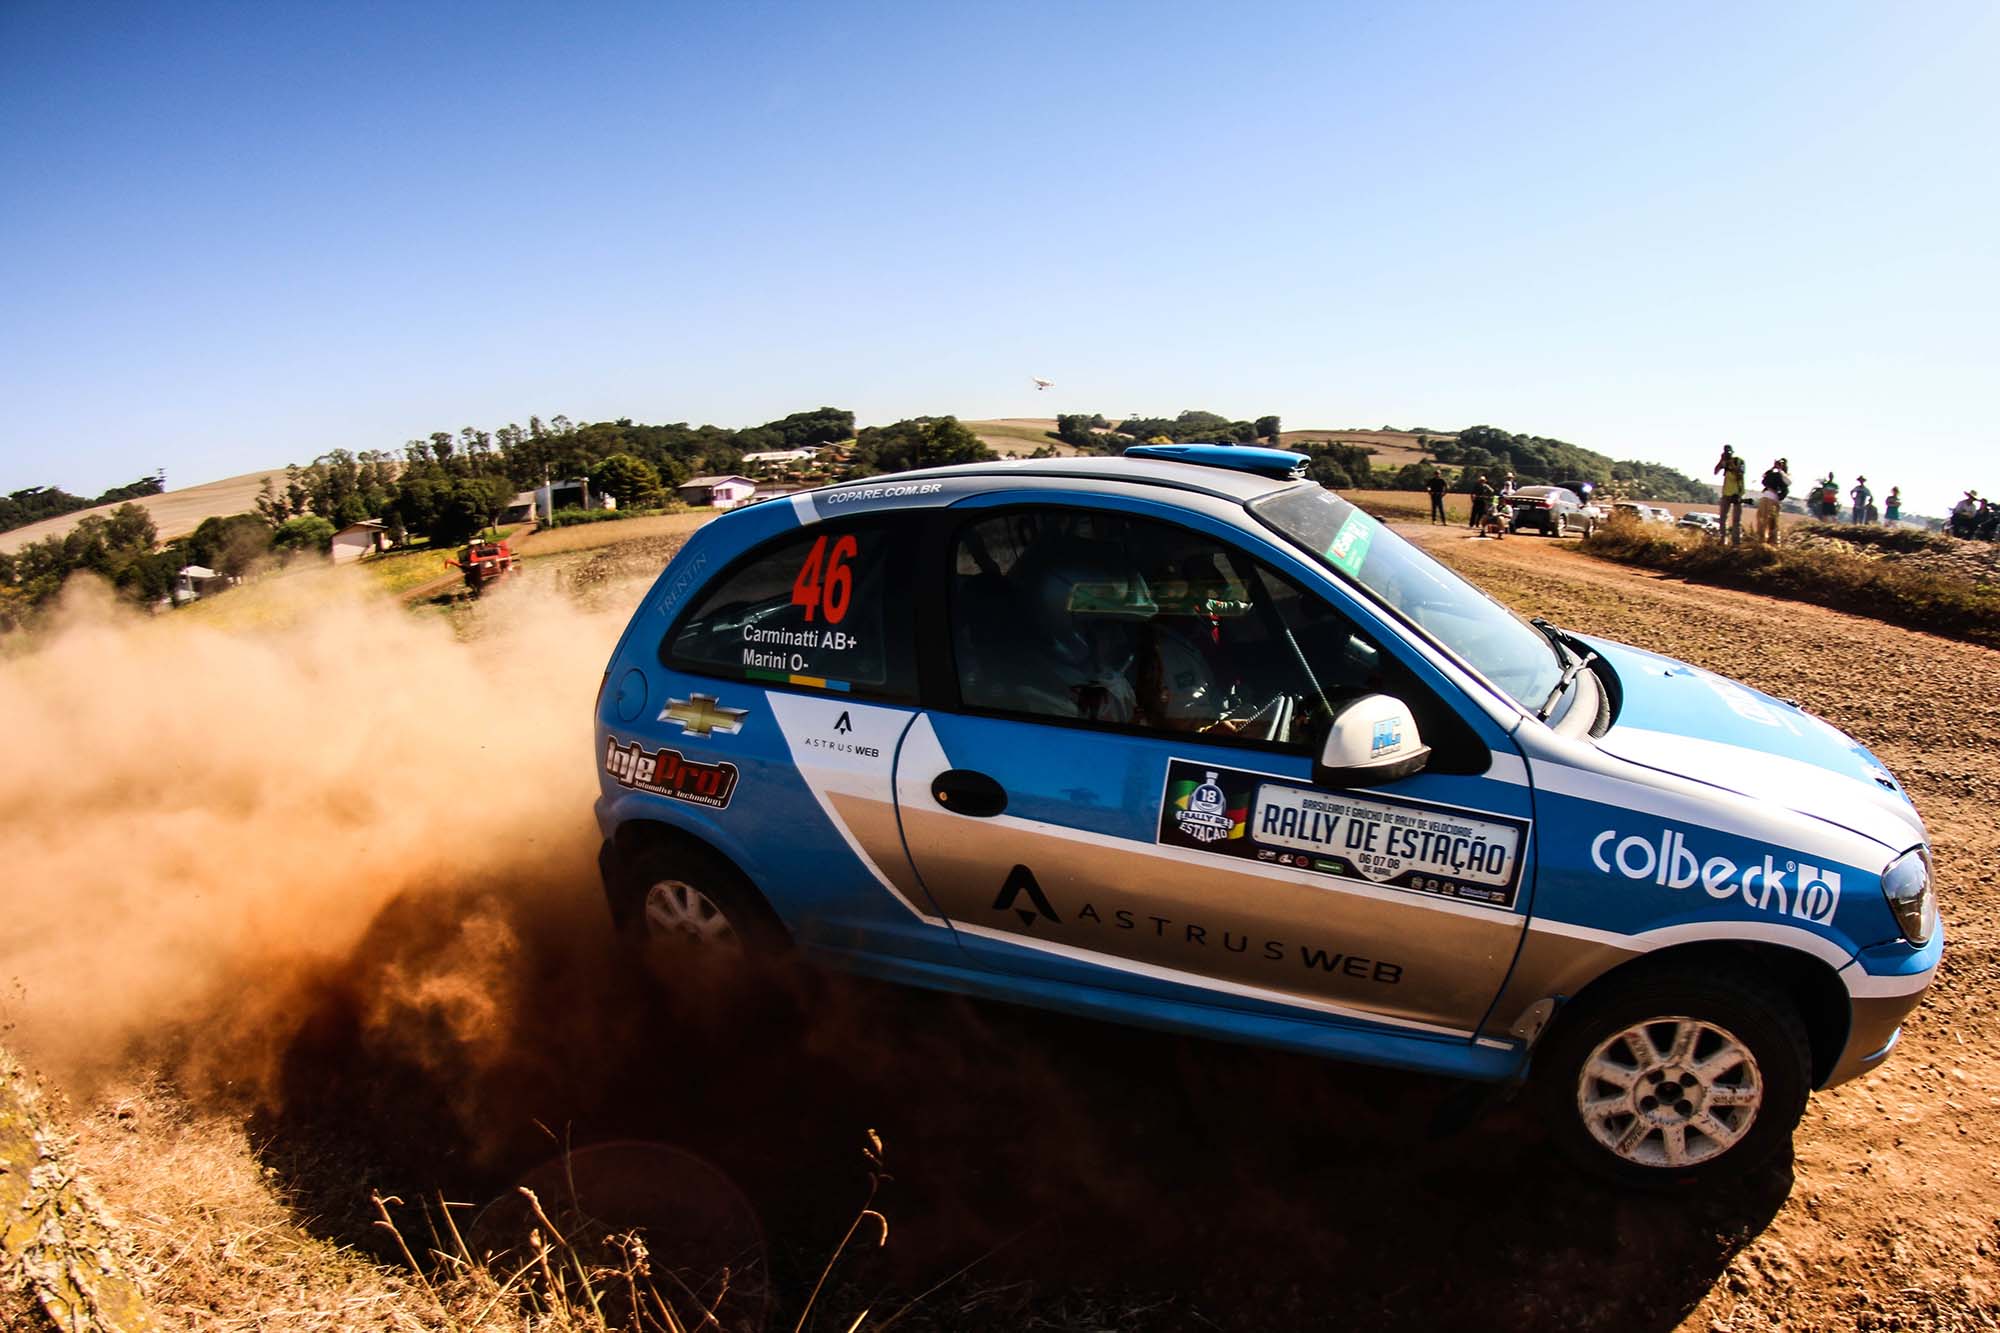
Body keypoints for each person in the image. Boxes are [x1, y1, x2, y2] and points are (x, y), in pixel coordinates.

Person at [1714, 445, 1746, 543]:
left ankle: (1736, 542)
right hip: (1726, 493)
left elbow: (1740, 475)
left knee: (1736, 520)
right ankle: (1723, 539)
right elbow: (1715, 471)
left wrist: (1731, 464)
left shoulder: (1739, 461)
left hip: (1737, 493)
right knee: (1722, 518)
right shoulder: (1725, 462)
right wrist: (1721, 461)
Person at [1756, 458, 1790, 543]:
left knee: (1769, 523)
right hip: (1769, 498)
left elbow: (1788, 482)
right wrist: (1774, 468)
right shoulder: (1774, 474)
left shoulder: (1782, 476)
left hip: (1771, 499)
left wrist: (1779, 470)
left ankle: (1769, 542)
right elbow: (1764, 477)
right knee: (1765, 522)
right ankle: (1765, 542)